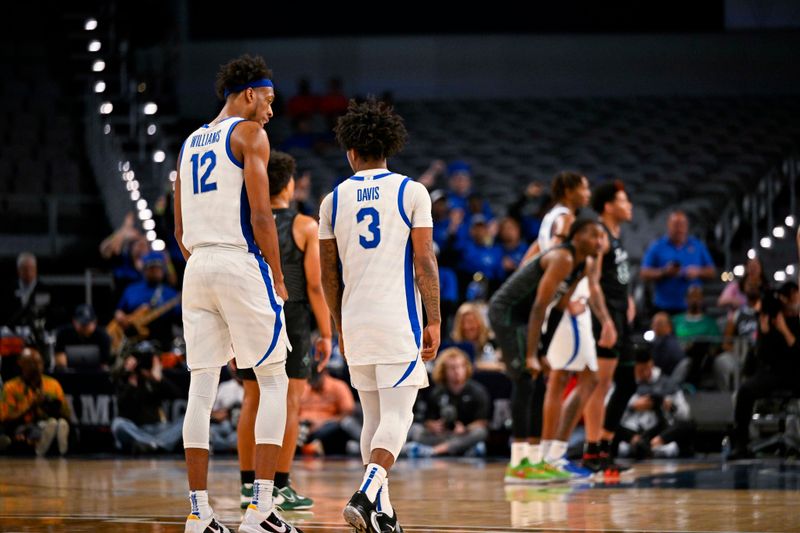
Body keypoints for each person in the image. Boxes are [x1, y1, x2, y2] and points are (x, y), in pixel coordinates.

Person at [173, 54, 299, 533]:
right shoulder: (249, 134)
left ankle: (198, 512)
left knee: (200, 389)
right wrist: (276, 274)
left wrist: (206, 270)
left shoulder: (187, 144)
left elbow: (180, 230)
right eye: (268, 100)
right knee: (273, 381)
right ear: (249, 93)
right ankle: (262, 510)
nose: (271, 111)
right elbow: (263, 215)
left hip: (198, 265)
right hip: (239, 260)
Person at [318, 97, 440, 533]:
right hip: (396, 317)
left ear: (350, 150)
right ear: (389, 147)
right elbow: (425, 261)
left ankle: (382, 514)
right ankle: (367, 491)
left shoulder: (331, 201)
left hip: (354, 317)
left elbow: (326, 274)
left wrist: (337, 324)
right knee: (400, 414)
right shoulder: (412, 191)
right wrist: (435, 319)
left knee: (373, 417)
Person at [236, 151, 332, 512]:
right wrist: (326, 333)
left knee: (252, 399)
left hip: (251, 314)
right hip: (290, 317)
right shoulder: (304, 226)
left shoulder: (247, 221)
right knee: (289, 402)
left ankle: (249, 486)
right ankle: (279, 485)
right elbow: (315, 285)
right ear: (289, 185)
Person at [488, 218, 609, 483]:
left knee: (538, 383)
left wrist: (542, 352)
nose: (599, 241)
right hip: (508, 312)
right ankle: (518, 463)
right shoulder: (563, 258)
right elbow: (539, 307)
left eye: (601, 236)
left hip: (530, 318)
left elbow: (558, 308)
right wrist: (531, 354)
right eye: (593, 235)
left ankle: (535, 459)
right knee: (524, 379)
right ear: (576, 237)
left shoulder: (583, 264)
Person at [561, 180, 638, 474]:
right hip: (605, 314)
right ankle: (594, 450)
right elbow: (592, 280)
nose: (629, 206)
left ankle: (602, 444)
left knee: (626, 381)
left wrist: (628, 297)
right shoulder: (599, 235)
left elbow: (614, 275)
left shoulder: (616, 236)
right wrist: (605, 320)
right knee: (599, 383)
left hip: (620, 311)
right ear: (609, 206)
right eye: (623, 201)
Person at [729, 282, 800, 460]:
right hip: (773, 372)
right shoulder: (769, 318)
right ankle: (741, 444)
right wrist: (765, 332)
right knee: (745, 391)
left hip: (796, 371)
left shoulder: (794, 321)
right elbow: (763, 356)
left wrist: (785, 331)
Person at [403, 347, 490, 457]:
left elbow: (482, 422)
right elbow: (427, 419)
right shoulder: (437, 392)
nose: (457, 371)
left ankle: (435, 451)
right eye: (452, 368)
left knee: (480, 432)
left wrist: (465, 429)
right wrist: (433, 425)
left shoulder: (477, 391)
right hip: (442, 435)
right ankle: (461, 450)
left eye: (460, 367)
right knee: (416, 430)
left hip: (463, 434)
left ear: (466, 367)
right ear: (444, 371)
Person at [616, 350, 694, 460]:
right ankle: (638, 443)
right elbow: (612, 413)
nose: (643, 373)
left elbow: (684, 414)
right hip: (633, 431)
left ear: (651, 364)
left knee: (688, 425)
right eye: (639, 370)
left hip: (661, 430)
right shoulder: (626, 384)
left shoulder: (668, 384)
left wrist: (671, 406)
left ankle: (653, 443)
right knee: (611, 425)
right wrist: (632, 407)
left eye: (646, 369)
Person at [110, 341, 184, 454]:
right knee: (118, 424)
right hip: (136, 428)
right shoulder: (127, 378)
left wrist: (159, 379)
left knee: (185, 420)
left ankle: (151, 444)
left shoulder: (157, 378)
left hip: (160, 429)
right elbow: (122, 407)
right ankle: (157, 444)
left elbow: (177, 395)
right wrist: (131, 383)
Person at [640, 210, 716, 314]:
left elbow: (712, 272)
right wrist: (664, 272)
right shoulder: (657, 246)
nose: (679, 229)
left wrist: (698, 272)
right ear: (668, 225)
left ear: (687, 226)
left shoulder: (697, 245)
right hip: (664, 306)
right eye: (676, 225)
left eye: (682, 225)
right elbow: (644, 273)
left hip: (692, 307)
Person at [0, 347, 71, 456]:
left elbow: (66, 414)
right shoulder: (11, 387)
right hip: (23, 426)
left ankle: (56, 441)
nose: (36, 367)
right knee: (29, 430)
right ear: (21, 364)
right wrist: (31, 406)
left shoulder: (53, 384)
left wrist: (53, 406)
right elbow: (6, 419)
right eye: (31, 363)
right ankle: (44, 444)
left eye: (39, 362)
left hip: (47, 420)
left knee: (60, 423)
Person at [113, 251, 181, 350]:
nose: (156, 271)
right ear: (144, 270)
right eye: (152, 268)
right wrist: (120, 316)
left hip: (161, 343)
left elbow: (179, 317)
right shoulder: (132, 289)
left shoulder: (170, 293)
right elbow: (119, 310)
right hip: (132, 341)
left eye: (159, 268)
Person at [296, 366, 357, 456]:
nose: (312, 382)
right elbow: (294, 410)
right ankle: (305, 447)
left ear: (324, 372)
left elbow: (348, 411)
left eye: (315, 378)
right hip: (303, 425)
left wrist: (322, 422)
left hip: (327, 425)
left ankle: (309, 447)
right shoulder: (304, 387)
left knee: (343, 425)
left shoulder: (338, 386)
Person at [54, 304, 112, 370]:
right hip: (70, 374)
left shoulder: (103, 336)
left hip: (96, 375)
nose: (85, 327)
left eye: (88, 324)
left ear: (95, 322)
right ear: (74, 321)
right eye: (82, 324)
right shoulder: (63, 334)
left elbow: (105, 364)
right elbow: (59, 359)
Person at [650, 312, 688, 381]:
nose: (654, 326)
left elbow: (658, 366)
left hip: (664, 380)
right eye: (654, 323)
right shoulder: (672, 341)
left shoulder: (667, 345)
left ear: (668, 326)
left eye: (658, 324)